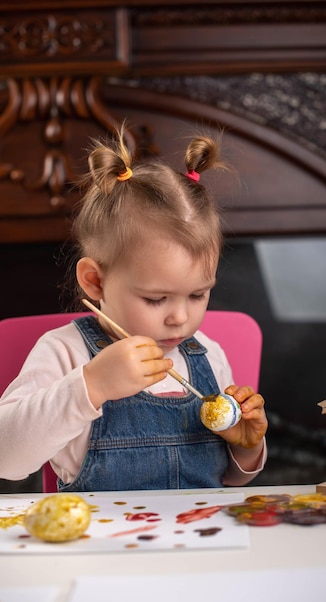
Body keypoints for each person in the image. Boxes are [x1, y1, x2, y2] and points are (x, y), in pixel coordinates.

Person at [0, 128, 267, 491]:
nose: (180, 317)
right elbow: (7, 459)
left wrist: (246, 449)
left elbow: (225, 481)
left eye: (197, 295)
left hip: (201, 541)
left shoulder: (210, 356)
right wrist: (91, 385)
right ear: (95, 282)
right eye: (156, 299)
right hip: (101, 544)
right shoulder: (65, 352)